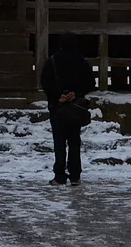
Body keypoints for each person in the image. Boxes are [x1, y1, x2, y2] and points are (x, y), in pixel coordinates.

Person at [41, 33, 94, 185]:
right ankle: (75, 174)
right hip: (76, 107)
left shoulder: (52, 61)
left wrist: (58, 95)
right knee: (74, 141)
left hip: (58, 106)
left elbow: (45, 81)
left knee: (59, 142)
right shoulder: (81, 61)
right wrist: (75, 93)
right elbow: (90, 83)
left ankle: (59, 175)